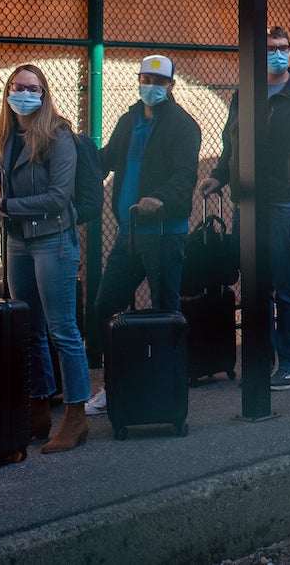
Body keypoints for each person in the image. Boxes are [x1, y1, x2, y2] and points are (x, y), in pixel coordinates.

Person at [197, 25, 290, 391]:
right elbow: (231, 141)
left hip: (287, 204)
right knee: (256, 286)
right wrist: (219, 176)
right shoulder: (245, 93)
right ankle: (262, 360)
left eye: (283, 47)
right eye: (270, 47)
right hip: (248, 203)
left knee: (289, 285)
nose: (277, 53)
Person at [0, 63, 92, 452]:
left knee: (63, 331)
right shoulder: (7, 136)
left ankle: (76, 417)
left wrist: (5, 203)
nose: (22, 93)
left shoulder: (58, 136)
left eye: (31, 87)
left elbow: (60, 196)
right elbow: (1, 186)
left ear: (44, 94)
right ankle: (38, 408)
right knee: (29, 329)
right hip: (18, 239)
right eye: (16, 86)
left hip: (53, 239)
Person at [84, 54, 202, 417]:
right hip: (129, 234)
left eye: (158, 81)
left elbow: (185, 177)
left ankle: (168, 383)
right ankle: (115, 382)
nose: (150, 86)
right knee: (105, 306)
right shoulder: (128, 120)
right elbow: (105, 161)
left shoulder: (184, 126)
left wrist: (161, 199)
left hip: (165, 234)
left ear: (171, 85)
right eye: (145, 79)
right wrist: (77, 154)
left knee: (166, 309)